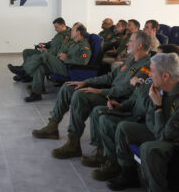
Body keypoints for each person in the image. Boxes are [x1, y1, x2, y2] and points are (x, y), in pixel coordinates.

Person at [32, 31, 152, 159]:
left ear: (139, 45)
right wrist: (86, 82)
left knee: (80, 95)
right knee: (69, 86)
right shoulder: (131, 60)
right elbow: (110, 76)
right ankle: (53, 125)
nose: (127, 43)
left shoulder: (146, 66)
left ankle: (73, 142)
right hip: (109, 91)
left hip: (118, 100)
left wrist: (100, 91)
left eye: (131, 41)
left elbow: (128, 90)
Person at [83, 44, 179, 182]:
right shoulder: (135, 64)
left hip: (147, 121)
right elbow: (130, 90)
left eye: (131, 40)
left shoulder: (149, 70)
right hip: (138, 113)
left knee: (110, 121)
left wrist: (104, 91)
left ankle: (116, 165)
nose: (127, 43)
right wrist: (122, 105)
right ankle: (112, 161)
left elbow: (144, 101)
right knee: (100, 112)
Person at [107, 52, 179, 191]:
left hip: (172, 142)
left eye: (152, 71)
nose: (149, 75)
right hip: (159, 129)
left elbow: (163, 137)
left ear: (165, 76)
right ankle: (129, 175)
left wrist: (158, 107)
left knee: (148, 148)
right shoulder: (161, 88)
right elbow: (149, 115)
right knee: (124, 128)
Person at [11, 23, 91, 102]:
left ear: (78, 33)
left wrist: (67, 58)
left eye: (73, 30)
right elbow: (64, 50)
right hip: (60, 63)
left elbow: (83, 61)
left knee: (46, 55)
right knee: (40, 68)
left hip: (69, 68)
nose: (71, 31)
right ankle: (36, 94)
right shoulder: (73, 42)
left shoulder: (84, 46)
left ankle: (23, 71)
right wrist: (64, 55)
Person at [8, 17, 71, 82]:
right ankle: (26, 74)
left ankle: (24, 72)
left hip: (51, 56)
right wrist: (45, 44)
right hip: (47, 52)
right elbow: (52, 43)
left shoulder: (68, 37)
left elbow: (60, 50)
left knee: (35, 57)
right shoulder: (60, 33)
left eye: (56, 27)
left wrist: (47, 50)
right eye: (54, 27)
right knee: (26, 52)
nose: (55, 29)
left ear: (63, 26)